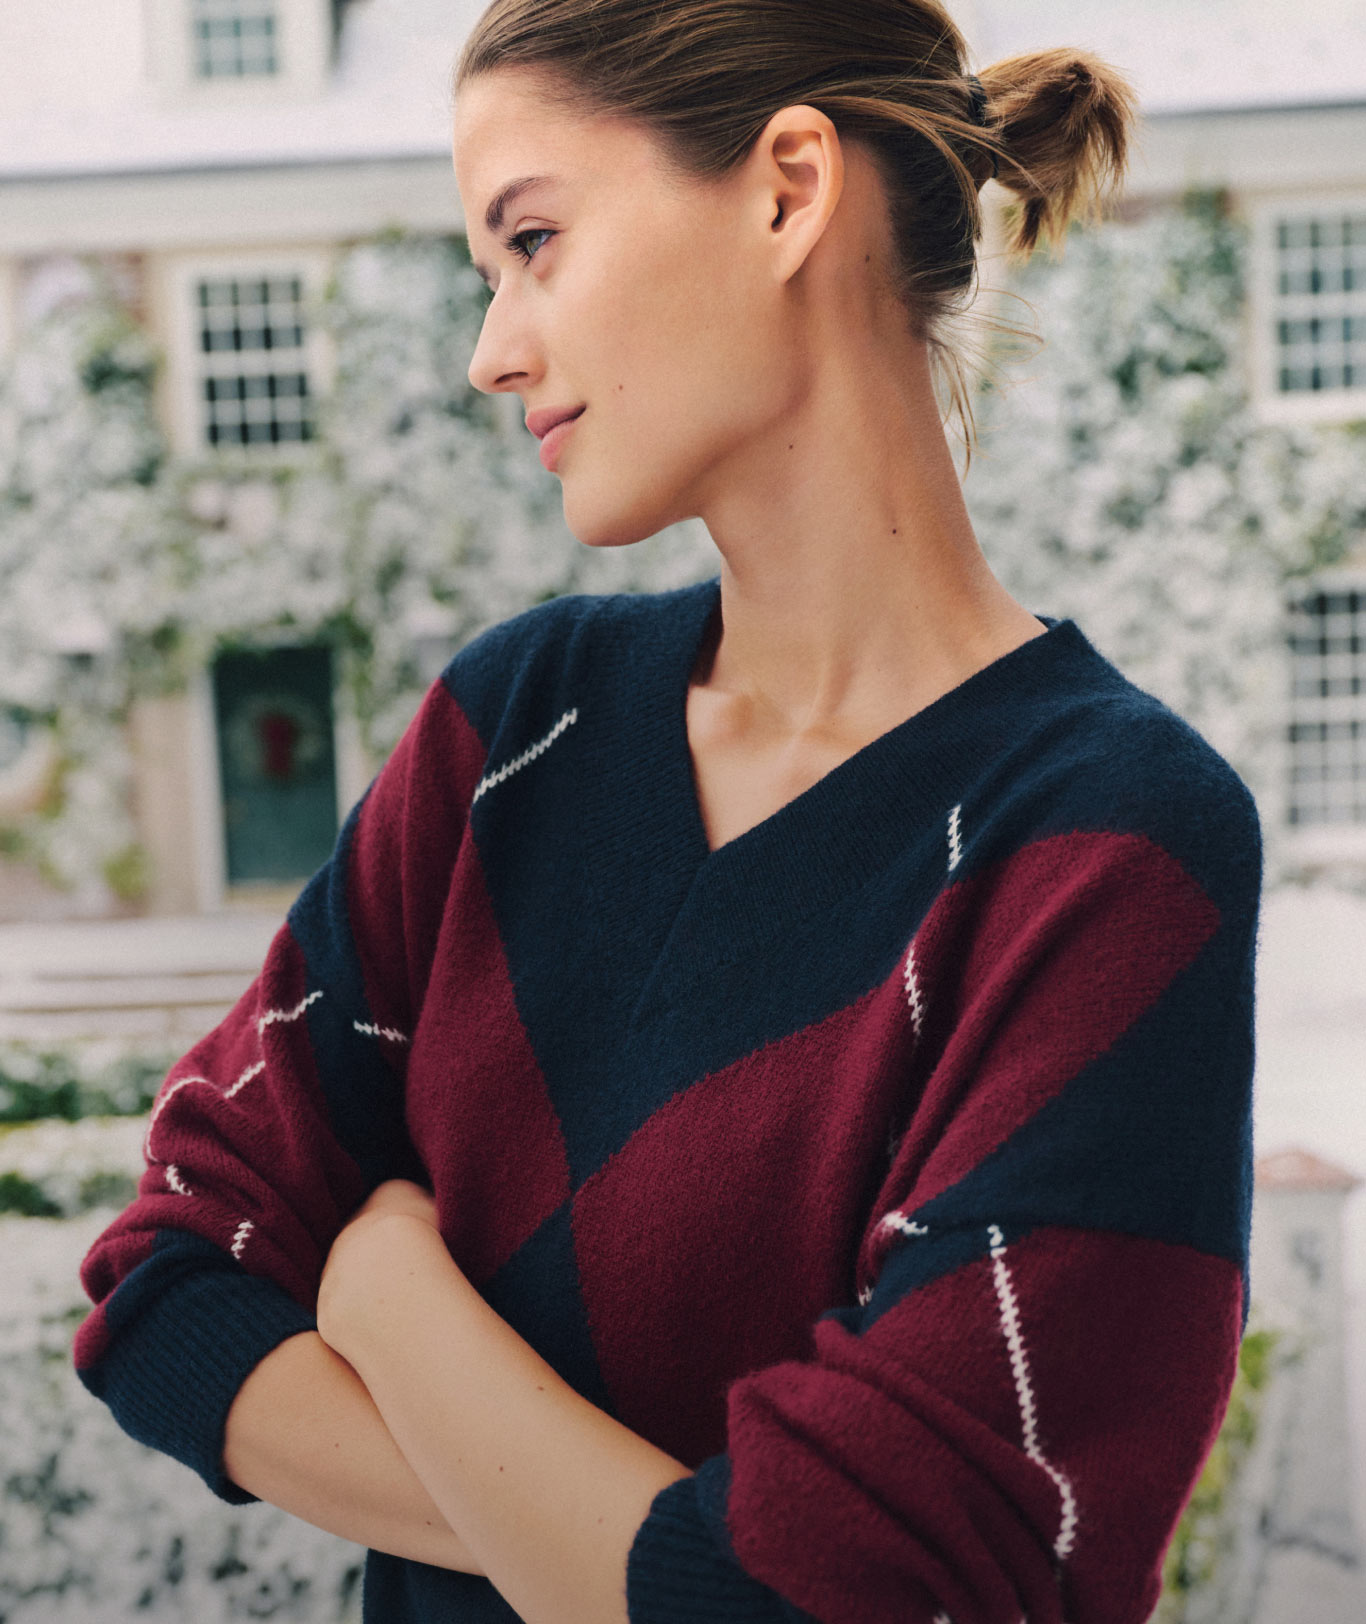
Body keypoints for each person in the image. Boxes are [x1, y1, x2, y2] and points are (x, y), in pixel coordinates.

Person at [73, 3, 1264, 1621]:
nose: (489, 349)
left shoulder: (1110, 847)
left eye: (534, 240)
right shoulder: (515, 734)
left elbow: (860, 1596)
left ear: (785, 191)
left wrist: (386, 1285)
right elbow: (166, 1273)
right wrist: (643, 1542)